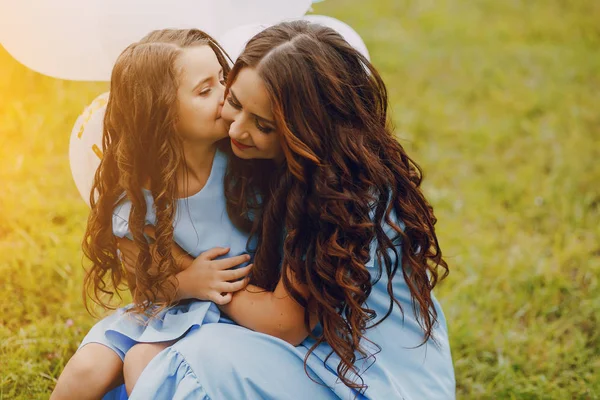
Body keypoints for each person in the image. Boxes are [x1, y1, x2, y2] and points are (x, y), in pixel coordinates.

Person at [124, 20, 456, 400]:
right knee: (146, 356)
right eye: (234, 103)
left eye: (263, 125)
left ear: (307, 129)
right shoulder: (290, 166)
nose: (236, 131)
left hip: (372, 380)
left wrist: (208, 283)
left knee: (189, 358)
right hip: (324, 352)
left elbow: (283, 323)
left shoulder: (339, 193)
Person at [50, 28, 253, 400]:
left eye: (223, 78)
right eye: (205, 90)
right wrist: (190, 281)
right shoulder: (139, 199)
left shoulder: (247, 164)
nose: (226, 94)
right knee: (86, 370)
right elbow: (145, 288)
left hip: (238, 318)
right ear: (161, 116)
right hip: (169, 308)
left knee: (147, 365)